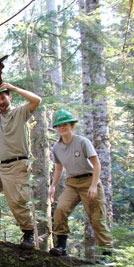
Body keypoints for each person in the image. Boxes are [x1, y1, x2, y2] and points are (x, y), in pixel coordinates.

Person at [0, 69, 42, 250]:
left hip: (18, 164)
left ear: (9, 97)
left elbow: (37, 101)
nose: (0, 102)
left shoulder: (21, 112)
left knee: (16, 202)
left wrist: (14, 88)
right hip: (2, 166)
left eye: (3, 98)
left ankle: (28, 234)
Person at [48, 109, 114, 257]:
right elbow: (59, 168)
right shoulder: (56, 147)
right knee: (60, 210)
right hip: (72, 183)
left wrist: (93, 185)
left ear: (72, 125)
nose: (62, 128)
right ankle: (61, 246)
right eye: (59, 125)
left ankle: (106, 254)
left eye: (65, 124)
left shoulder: (82, 142)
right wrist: (52, 186)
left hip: (89, 180)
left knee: (97, 218)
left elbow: (97, 164)